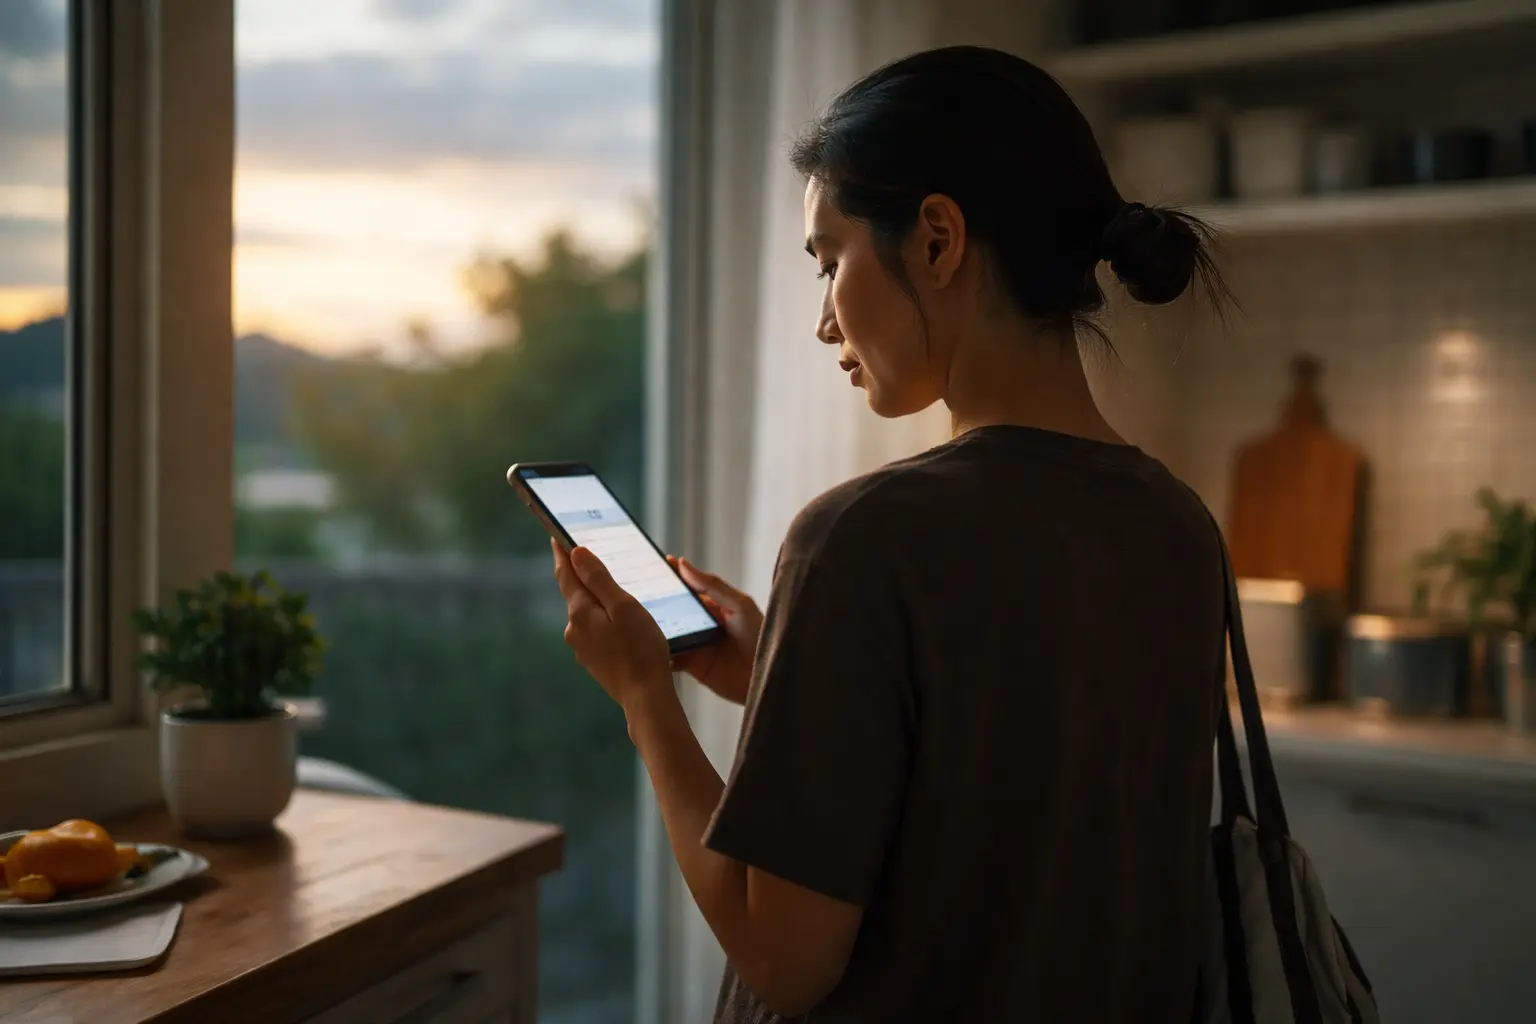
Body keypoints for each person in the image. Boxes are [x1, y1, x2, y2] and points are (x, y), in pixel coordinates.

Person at [551, 44, 1230, 1023]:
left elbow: (784, 962)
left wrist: (646, 699)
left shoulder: (863, 540)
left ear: (938, 240)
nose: (825, 322)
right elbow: (1010, 792)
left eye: (831, 261)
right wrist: (784, 677)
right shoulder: (1178, 523)